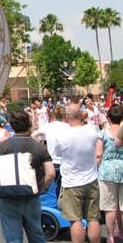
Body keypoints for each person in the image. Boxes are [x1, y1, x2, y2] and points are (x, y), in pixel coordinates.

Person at [0, 111, 55, 243]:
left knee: (13, 239)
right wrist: (40, 188)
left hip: (8, 197)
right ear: (29, 124)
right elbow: (50, 173)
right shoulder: (38, 147)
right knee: (37, 236)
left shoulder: (3, 146)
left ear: (11, 125)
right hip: (31, 196)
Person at [54, 103, 101, 243]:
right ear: (81, 115)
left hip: (72, 182)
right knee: (93, 218)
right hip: (91, 179)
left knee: (75, 220)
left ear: (67, 116)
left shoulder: (62, 135)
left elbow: (56, 153)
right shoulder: (92, 130)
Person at [95, 104, 123, 243]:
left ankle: (111, 236)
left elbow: (98, 155)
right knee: (122, 205)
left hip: (107, 172)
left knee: (109, 207)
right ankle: (122, 232)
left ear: (108, 118)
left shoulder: (103, 133)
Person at [31, 106, 69, 191]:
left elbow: (33, 136)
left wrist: (40, 148)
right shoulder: (69, 127)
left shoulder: (47, 126)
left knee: (52, 190)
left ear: (53, 115)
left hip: (52, 162)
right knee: (63, 190)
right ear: (65, 115)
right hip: (66, 162)